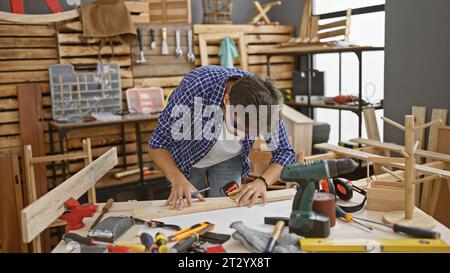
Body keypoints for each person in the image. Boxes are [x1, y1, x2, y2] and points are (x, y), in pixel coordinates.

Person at [148, 65, 295, 210]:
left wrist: (262, 181)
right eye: (240, 128)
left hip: (229, 158)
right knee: (189, 211)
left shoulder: (264, 103)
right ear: (227, 101)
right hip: (188, 158)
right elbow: (157, 144)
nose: (243, 136)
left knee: (228, 209)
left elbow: (284, 152)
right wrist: (176, 179)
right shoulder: (196, 85)